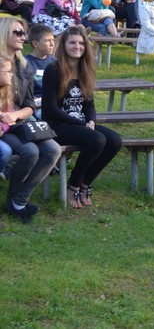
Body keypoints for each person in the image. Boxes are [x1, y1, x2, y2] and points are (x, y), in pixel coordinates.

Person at [42, 27, 122, 209]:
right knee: (97, 140)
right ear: (64, 45)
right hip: (57, 125)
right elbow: (50, 109)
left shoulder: (85, 69)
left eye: (80, 43)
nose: (77, 46)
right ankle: (73, 184)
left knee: (115, 141)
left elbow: (89, 105)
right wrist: (81, 124)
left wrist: (91, 120)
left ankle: (86, 182)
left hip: (79, 124)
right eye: (72, 42)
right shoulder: (53, 70)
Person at [0, 18, 62, 223]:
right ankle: (16, 201)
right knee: (30, 152)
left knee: (53, 150)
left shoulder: (24, 66)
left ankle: (18, 199)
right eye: (18, 33)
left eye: (24, 33)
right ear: (4, 33)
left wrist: (15, 115)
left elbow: (29, 105)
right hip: (3, 125)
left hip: (18, 122)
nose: (23, 37)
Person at [23, 24, 56, 115]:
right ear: (35, 44)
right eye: (47, 40)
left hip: (54, 101)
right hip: (34, 105)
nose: (52, 44)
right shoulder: (25, 62)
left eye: (53, 40)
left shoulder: (55, 62)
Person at [0, 56, 16, 182]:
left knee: (6, 151)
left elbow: (8, 119)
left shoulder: (6, 93)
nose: (12, 75)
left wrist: (2, 128)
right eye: (8, 71)